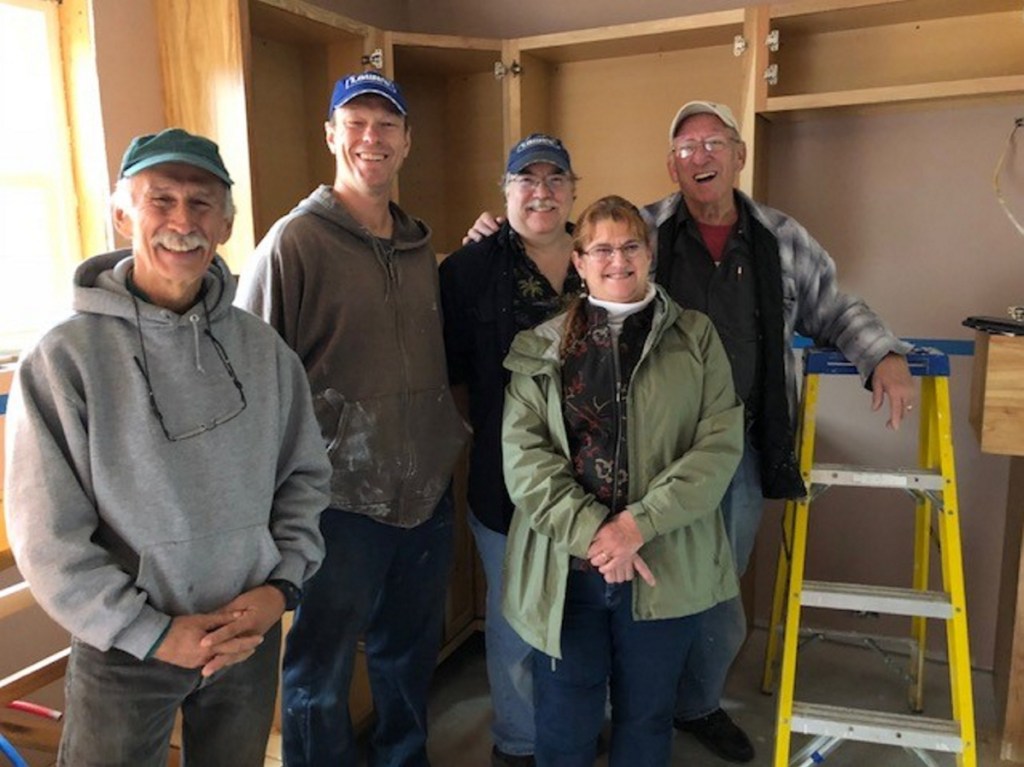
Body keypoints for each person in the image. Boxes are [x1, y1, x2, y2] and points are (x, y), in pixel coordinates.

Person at [465, 100, 915, 763]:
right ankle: (630, 705)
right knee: (584, 676)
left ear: (738, 154)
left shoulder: (777, 241)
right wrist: (495, 234)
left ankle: (696, 703)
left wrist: (885, 353)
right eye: (684, 148)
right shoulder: (637, 233)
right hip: (593, 511)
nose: (699, 157)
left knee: (708, 597)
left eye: (712, 144)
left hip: (723, 453)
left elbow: (833, 305)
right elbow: (562, 236)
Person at [3, 128, 332, 767]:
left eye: (202, 202)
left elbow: (304, 478)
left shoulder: (264, 352)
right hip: (125, 647)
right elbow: (48, 538)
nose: (182, 220)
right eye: (162, 199)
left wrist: (279, 591)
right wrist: (152, 633)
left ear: (227, 222)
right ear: (123, 212)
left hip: (246, 633)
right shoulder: (64, 360)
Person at [237, 71, 468, 767]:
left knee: (407, 656)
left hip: (423, 496)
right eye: (356, 122)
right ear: (332, 134)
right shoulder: (293, 244)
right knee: (320, 668)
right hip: (334, 505)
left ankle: (405, 758)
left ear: (406, 143)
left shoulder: (419, 249)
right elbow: (252, 381)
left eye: (387, 124)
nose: (372, 137)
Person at [500, 195, 745, 767]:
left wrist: (637, 524)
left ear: (650, 253)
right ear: (579, 260)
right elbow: (525, 459)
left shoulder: (696, 338)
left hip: (663, 563)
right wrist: (596, 534)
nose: (618, 259)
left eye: (631, 245)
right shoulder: (540, 346)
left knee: (646, 718)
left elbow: (718, 444)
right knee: (565, 717)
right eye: (602, 248)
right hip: (568, 571)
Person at [439, 133, 581, 767]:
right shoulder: (469, 270)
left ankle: (575, 727)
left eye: (555, 178)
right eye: (527, 179)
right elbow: (452, 372)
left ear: (573, 189)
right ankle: (518, 744)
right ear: (505, 192)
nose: (542, 191)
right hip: (507, 487)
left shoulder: (602, 258)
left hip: (597, 487)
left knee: (582, 621)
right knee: (517, 624)